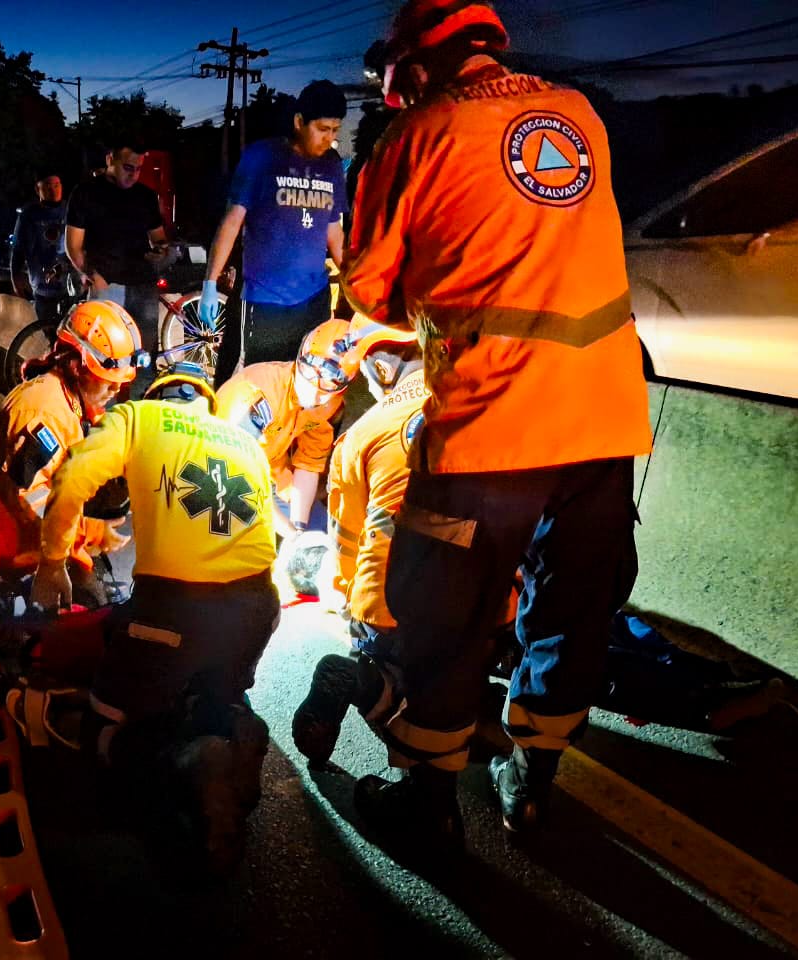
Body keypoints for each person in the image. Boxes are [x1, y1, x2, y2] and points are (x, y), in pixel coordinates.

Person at [342, 0, 651, 851]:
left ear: (415, 62)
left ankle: (429, 806)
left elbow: (372, 291)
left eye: (391, 73)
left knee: (445, 608)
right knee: (572, 604)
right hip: (604, 412)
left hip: (493, 423)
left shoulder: (415, 139)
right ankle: (533, 786)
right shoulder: (579, 115)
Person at [30, 362, 278, 873]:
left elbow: (75, 475)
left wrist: (52, 562)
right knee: (211, 691)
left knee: (109, 721)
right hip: (256, 608)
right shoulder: (244, 444)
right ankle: (230, 726)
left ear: (159, 393)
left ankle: (181, 769)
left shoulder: (138, 418)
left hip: (171, 607)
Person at [0, 300, 148, 629]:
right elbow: (30, 501)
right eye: (108, 380)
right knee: (83, 611)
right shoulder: (42, 409)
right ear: (77, 365)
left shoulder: (74, 398)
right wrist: (59, 560)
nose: (116, 388)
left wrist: (97, 525)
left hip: (27, 513)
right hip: (7, 529)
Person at [290, 316, 426, 766]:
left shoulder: (362, 437)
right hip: (483, 602)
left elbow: (348, 552)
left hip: (393, 614)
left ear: (382, 367)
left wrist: (344, 602)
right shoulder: (478, 403)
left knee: (404, 699)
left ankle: (360, 681)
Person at [201, 80, 349, 384]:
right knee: (260, 385)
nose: (329, 138)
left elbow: (333, 231)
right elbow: (232, 221)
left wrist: (353, 280)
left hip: (313, 300)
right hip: (264, 299)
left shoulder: (332, 166)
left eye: (335, 130)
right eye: (322, 129)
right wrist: (209, 283)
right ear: (299, 122)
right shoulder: (262, 157)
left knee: (307, 383)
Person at [215, 318, 357, 538]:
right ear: (301, 358)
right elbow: (232, 475)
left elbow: (309, 464)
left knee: (319, 532)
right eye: (312, 376)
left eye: (329, 386)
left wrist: (298, 528)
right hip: (219, 472)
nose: (317, 392)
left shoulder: (327, 403)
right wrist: (290, 535)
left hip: (270, 473)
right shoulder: (257, 395)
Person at [65, 137, 169, 398]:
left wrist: (162, 250)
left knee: (143, 359)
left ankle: (138, 415)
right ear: (111, 159)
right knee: (103, 360)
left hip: (142, 286)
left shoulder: (145, 196)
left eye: (138, 169)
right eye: (128, 167)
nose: (133, 175)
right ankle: (101, 420)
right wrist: (91, 274)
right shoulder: (86, 193)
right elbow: (73, 245)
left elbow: (158, 237)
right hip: (106, 288)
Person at [11, 170, 71, 326]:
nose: (53, 190)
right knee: (48, 329)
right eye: (48, 186)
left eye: (57, 185)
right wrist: (16, 278)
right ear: (38, 190)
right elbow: (18, 249)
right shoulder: (29, 215)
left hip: (70, 286)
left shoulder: (71, 210)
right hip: (42, 287)